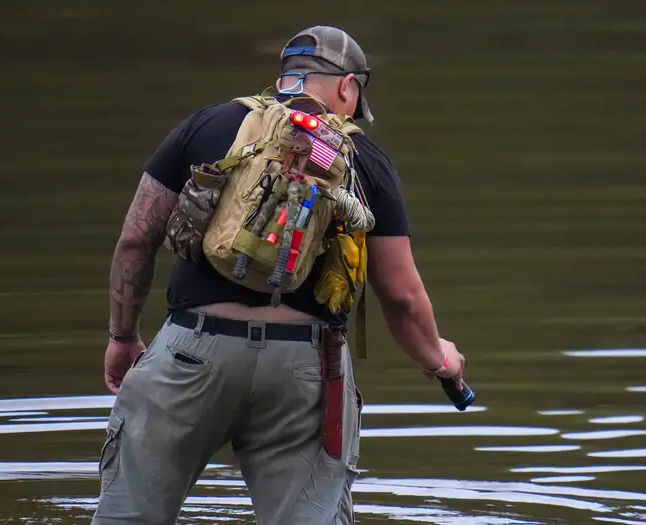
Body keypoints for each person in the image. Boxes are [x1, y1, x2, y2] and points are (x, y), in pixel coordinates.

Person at [94, 25, 467, 525]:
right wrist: (439, 359)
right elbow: (400, 295)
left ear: (287, 77)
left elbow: (136, 240)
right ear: (348, 87)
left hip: (190, 354)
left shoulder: (207, 125)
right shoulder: (364, 159)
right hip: (305, 368)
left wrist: (122, 335)